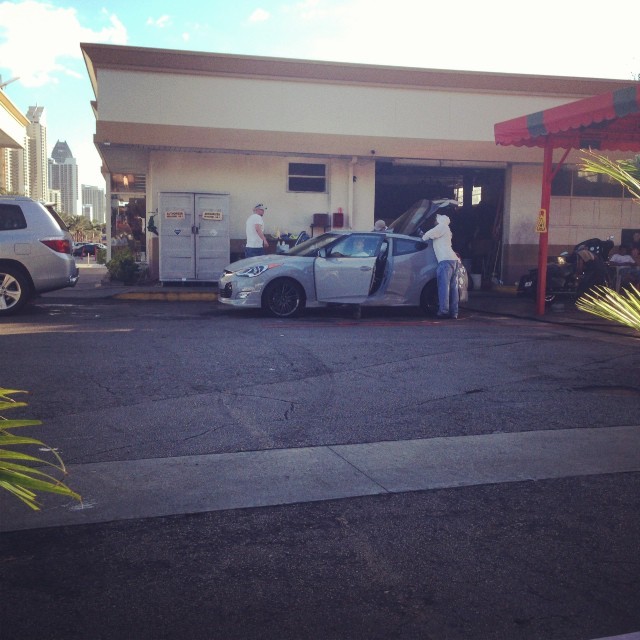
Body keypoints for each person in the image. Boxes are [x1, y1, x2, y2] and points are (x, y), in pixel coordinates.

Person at [421, 207, 460, 319]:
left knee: (444, 286)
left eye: (435, 221)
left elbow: (428, 235)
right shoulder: (447, 230)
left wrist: (423, 237)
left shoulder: (442, 227)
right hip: (454, 260)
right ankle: (454, 312)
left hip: (445, 261)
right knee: (453, 288)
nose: (434, 222)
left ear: (439, 221)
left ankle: (443, 311)